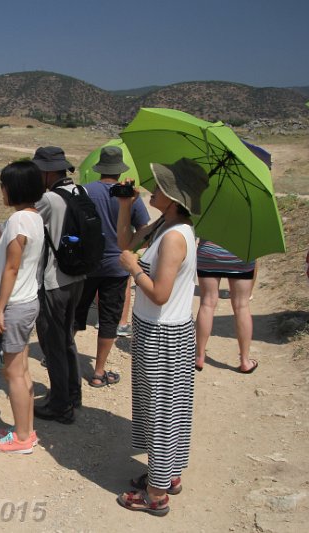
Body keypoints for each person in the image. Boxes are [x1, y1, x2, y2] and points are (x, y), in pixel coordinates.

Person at [115, 158, 209, 516]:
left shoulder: (173, 237)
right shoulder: (163, 225)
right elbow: (126, 242)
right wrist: (126, 207)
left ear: (171, 196)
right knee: (163, 408)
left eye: (158, 186)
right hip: (155, 330)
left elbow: (160, 293)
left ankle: (156, 496)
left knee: (162, 411)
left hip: (163, 334)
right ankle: (166, 475)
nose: (152, 189)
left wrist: (134, 269)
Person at [0, 160, 46, 454]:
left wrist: (0, 310)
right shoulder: (33, 217)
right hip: (28, 302)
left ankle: (22, 438)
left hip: (14, 305)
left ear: (14, 188)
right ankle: (24, 427)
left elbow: (11, 268)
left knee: (12, 373)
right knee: (22, 369)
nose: (2, 190)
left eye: (3, 185)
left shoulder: (18, 222)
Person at [74, 146, 151, 388]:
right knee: (109, 319)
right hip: (117, 266)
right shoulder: (128, 196)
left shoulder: (83, 192)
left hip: (86, 265)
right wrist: (130, 249)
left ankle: (61, 359)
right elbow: (144, 230)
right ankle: (98, 373)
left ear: (98, 169)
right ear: (120, 171)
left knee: (76, 314)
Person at [30, 146, 85, 424]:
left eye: (39, 170)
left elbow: (23, 224)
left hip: (54, 281)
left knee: (53, 343)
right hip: (78, 278)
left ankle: (60, 406)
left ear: (49, 172)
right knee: (67, 339)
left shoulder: (49, 200)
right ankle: (73, 394)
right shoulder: (80, 192)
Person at [194, 240, 258, 373]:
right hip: (241, 253)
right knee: (242, 306)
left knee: (207, 302)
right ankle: (245, 361)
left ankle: (199, 356)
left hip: (209, 252)